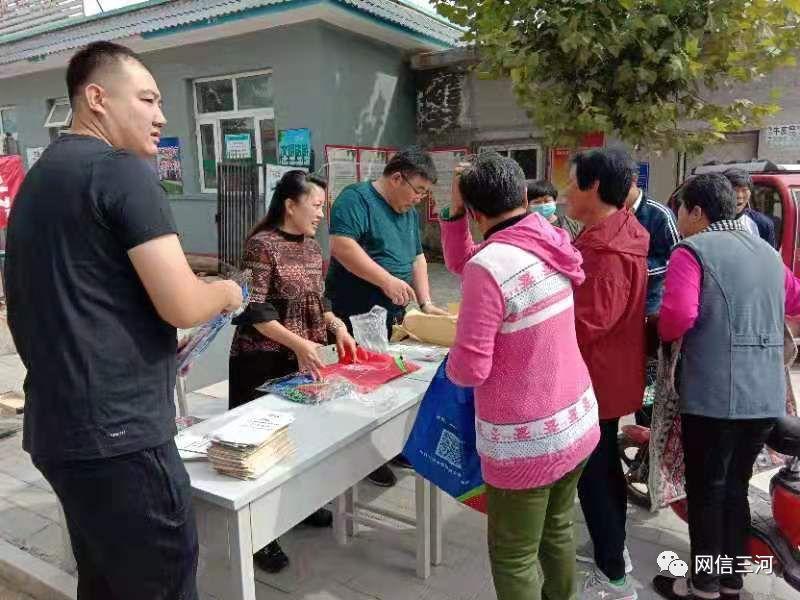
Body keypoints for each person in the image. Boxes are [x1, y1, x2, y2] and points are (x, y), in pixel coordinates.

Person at [4, 41, 243, 600]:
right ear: (96, 99)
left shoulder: (41, 180)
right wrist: (226, 290)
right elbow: (182, 303)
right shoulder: (122, 173)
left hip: (59, 430)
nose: (161, 115)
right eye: (147, 99)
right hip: (121, 436)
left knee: (107, 583)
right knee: (162, 582)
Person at [441, 152, 599, 600]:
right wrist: (458, 212)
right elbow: (463, 263)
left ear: (475, 211)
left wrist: (448, 363)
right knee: (557, 529)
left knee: (513, 554)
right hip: (577, 418)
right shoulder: (547, 237)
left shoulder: (490, 267)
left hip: (527, 439)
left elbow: (471, 369)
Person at [653, 173, 800, 600]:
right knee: (735, 487)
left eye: (681, 209)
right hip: (766, 394)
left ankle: (702, 585)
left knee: (707, 491)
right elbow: (794, 301)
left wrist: (662, 332)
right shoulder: (767, 252)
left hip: (715, 396)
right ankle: (731, 580)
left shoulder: (692, 250)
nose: (678, 218)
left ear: (697, 212)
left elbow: (677, 316)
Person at [228, 170, 357, 574]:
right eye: (316, 205)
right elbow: (255, 309)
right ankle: (260, 538)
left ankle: (296, 509)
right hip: (263, 361)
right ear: (291, 204)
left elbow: (321, 299)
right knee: (261, 448)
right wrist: (301, 344)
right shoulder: (261, 246)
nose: (321, 214)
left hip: (303, 361)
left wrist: (337, 329)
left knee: (300, 440)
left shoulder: (312, 247)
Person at [326, 146, 447, 487]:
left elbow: (417, 258)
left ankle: (391, 446)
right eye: (418, 190)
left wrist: (425, 302)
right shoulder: (356, 199)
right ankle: (364, 459)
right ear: (397, 178)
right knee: (357, 391)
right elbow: (342, 247)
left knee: (391, 385)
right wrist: (386, 280)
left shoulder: (406, 212)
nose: (420, 200)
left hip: (390, 319)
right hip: (354, 315)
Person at [565, 148, 649, 600]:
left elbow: (587, 324)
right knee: (601, 473)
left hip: (595, 380)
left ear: (594, 187)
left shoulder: (607, 249)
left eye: (571, 181)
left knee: (594, 476)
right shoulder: (614, 233)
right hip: (609, 377)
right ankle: (611, 547)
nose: (563, 192)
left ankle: (614, 575)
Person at [622, 163, 680, 427]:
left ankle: (648, 424)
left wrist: (639, 269)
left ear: (634, 182)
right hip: (623, 309)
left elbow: (676, 259)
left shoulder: (658, 215)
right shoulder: (612, 213)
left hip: (651, 306)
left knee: (650, 376)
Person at [723, 168, 777, 248]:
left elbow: (770, 258)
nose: (739, 196)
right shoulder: (709, 220)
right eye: (734, 190)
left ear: (750, 193)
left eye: (744, 190)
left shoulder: (762, 224)